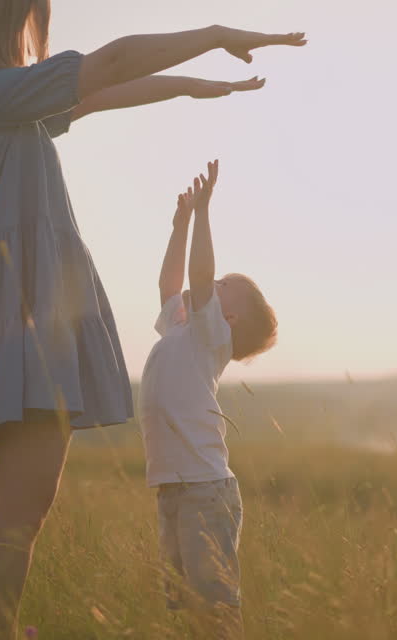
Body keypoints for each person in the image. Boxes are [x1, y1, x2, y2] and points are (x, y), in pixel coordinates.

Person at [0, 0, 305, 639]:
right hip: (17, 327)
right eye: (33, 30)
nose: (37, 47)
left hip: (24, 325)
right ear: (2, 25)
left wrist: (191, 88)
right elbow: (108, 63)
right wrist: (212, 33)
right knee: (18, 512)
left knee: (15, 510)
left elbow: (99, 91)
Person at [139, 160, 279, 638]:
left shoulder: (210, 337)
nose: (210, 288)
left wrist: (202, 214)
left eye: (221, 289)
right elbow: (170, 285)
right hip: (175, 489)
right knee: (181, 605)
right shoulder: (183, 327)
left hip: (204, 489)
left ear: (230, 321)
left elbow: (198, 276)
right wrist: (178, 226)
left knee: (215, 606)